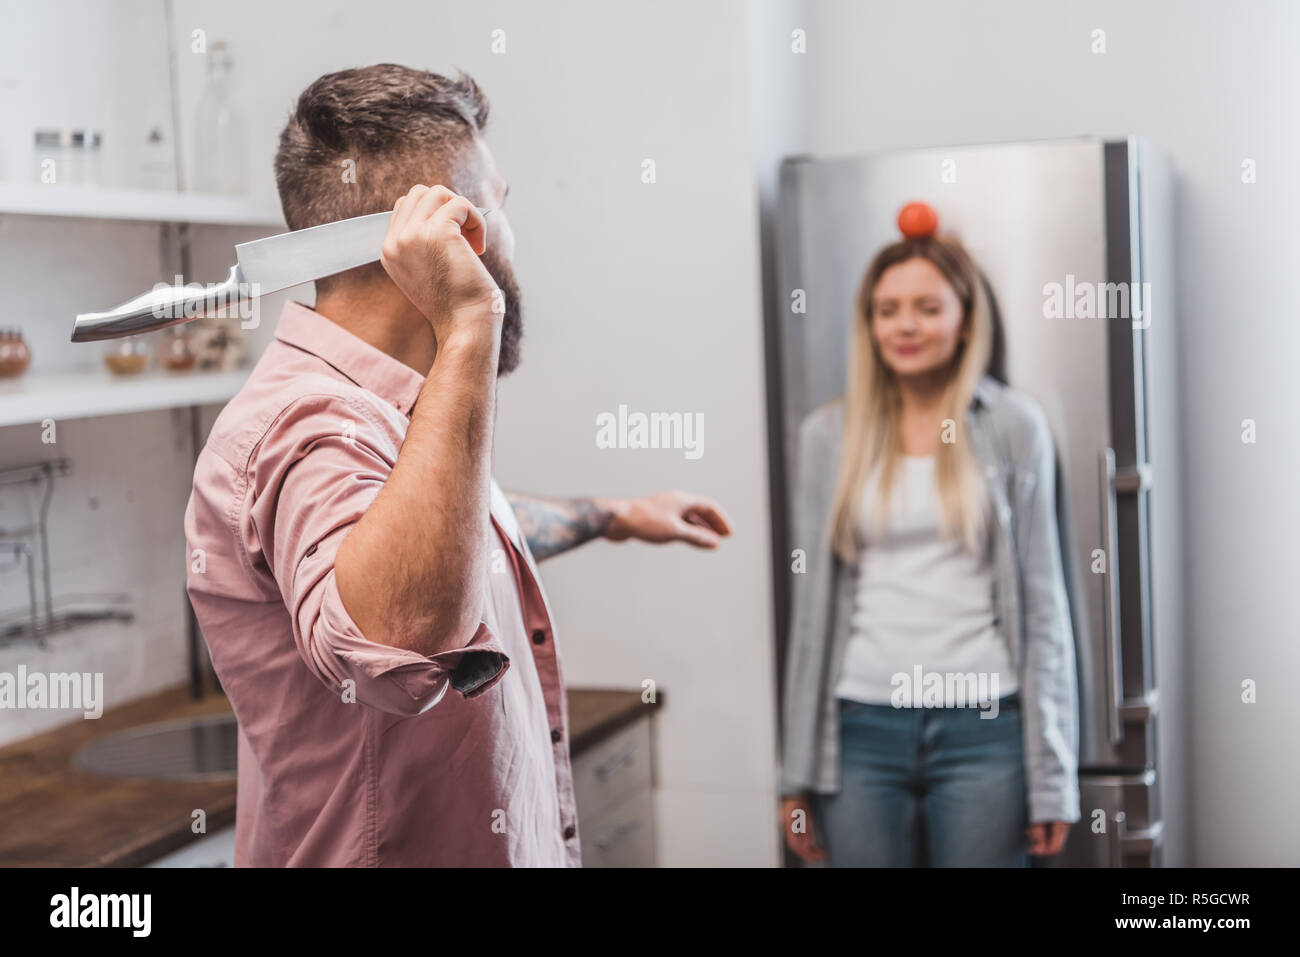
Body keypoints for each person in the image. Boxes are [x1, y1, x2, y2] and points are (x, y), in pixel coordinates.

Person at [184, 64, 731, 867]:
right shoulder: (306, 425)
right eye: (500, 206)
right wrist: (474, 318)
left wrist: (616, 515)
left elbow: (459, 533)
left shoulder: (400, 414)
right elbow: (400, 639)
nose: (511, 235)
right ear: (458, 238)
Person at [779, 216, 1079, 866]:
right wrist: (794, 776)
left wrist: (1053, 777)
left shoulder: (1013, 426)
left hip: (985, 726)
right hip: (858, 727)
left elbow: (1043, 603)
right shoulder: (827, 435)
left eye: (926, 307)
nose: (905, 325)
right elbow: (811, 618)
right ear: (870, 324)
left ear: (966, 320)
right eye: (887, 310)